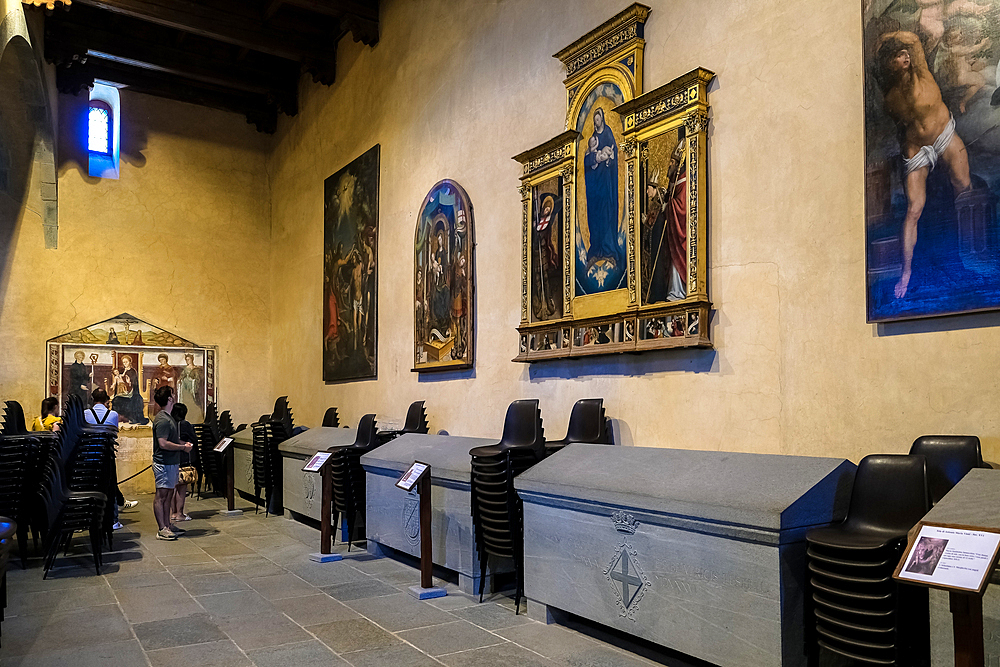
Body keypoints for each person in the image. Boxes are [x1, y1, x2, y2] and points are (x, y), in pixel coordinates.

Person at [876, 30, 973, 299]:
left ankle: (971, 253)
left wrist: (887, 38)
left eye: (904, 54)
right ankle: (906, 273)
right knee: (914, 209)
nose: (904, 56)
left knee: (964, 188)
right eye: (897, 56)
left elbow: (913, 40)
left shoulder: (921, 72)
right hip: (916, 147)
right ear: (889, 65)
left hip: (943, 134)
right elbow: (902, 127)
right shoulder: (890, 98)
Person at [85, 388, 138, 529]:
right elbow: (114, 434)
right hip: (106, 455)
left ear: (93, 399)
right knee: (110, 486)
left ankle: (87, 517)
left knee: (89, 486)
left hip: (89, 456)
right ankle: (113, 519)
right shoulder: (113, 415)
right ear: (106, 400)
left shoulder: (85, 414)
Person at [644, 135, 688, 304]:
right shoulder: (673, 185)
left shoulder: (683, 183)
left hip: (678, 237)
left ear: (678, 164)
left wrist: (667, 208)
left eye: (671, 163)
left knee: (675, 267)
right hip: (668, 239)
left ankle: (677, 292)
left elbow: (681, 207)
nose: (669, 165)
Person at [151, 386, 193, 540]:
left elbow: (172, 440)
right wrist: (182, 447)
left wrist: (184, 445)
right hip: (163, 463)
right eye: (173, 394)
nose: (174, 396)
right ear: (169, 399)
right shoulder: (162, 419)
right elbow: (162, 443)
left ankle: (168, 525)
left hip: (171, 462)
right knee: (161, 496)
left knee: (169, 495)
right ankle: (162, 529)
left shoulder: (168, 417)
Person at [583, 107, 620, 266]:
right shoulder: (592, 139)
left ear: (602, 119)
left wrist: (609, 158)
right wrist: (594, 158)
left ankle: (608, 249)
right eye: (595, 120)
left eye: (598, 119)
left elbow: (614, 154)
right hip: (594, 187)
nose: (597, 122)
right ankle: (596, 249)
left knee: (606, 214)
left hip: (606, 184)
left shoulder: (608, 133)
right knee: (595, 216)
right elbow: (586, 161)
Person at [170, 402, 196, 523]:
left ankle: (173, 512)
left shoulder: (169, 423)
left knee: (172, 486)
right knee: (182, 486)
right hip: (183, 457)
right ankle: (179, 513)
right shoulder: (185, 424)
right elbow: (193, 439)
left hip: (170, 457)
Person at [108, 355, 148, 424]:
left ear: (130, 362)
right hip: (123, 391)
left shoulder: (133, 371)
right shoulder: (122, 371)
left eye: (126, 362)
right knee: (116, 400)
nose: (125, 364)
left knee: (135, 401)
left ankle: (131, 419)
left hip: (132, 392)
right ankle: (119, 418)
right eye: (123, 362)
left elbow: (134, 383)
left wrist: (129, 383)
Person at [177, 353, 204, 424]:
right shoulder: (186, 369)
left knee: (193, 401)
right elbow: (181, 377)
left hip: (193, 386)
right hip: (185, 387)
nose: (187, 361)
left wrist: (193, 381)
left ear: (192, 359)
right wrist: (180, 380)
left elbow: (198, 378)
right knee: (186, 401)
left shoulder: (196, 368)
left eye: (188, 359)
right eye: (186, 360)